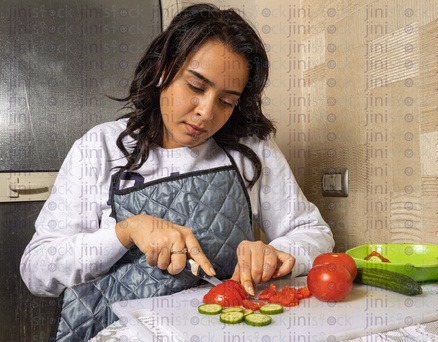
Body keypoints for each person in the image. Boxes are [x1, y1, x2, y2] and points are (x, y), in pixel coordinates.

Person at [20, 3, 334, 340]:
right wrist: (125, 232)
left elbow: (314, 233)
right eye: (196, 87)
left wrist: (276, 253)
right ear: (162, 68)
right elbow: (37, 270)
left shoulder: (252, 151)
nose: (205, 112)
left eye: (226, 101)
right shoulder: (98, 148)